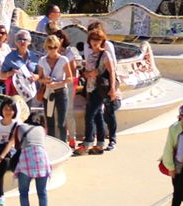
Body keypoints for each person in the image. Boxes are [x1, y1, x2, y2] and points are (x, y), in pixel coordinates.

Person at [0, 106, 50, 206]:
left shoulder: (20, 127)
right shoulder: (42, 129)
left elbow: (17, 145)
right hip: (42, 160)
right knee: (42, 192)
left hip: (26, 160)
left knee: (24, 192)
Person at [80, 23, 120, 153]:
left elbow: (112, 71)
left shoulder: (105, 54)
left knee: (90, 114)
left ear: (102, 41)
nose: (95, 42)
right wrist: (87, 74)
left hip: (101, 89)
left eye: (98, 40)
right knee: (97, 116)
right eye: (93, 39)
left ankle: (88, 143)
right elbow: (88, 72)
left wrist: (113, 89)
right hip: (91, 88)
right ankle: (100, 143)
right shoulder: (91, 55)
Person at [37, 34, 75, 142]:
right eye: (50, 47)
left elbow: (69, 78)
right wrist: (45, 81)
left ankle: (64, 144)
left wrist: (57, 83)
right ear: (46, 47)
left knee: (62, 122)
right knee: (50, 121)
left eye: (55, 47)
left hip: (61, 92)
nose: (52, 50)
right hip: (48, 93)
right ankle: (52, 145)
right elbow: (39, 78)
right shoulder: (42, 60)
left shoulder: (64, 59)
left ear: (58, 47)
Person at [162, 110, 183, 206]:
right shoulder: (174, 128)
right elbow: (168, 148)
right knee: (177, 194)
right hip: (178, 165)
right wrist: (170, 167)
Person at [1, 30, 42, 103]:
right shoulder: (10, 57)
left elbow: (39, 73)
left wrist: (36, 77)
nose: (22, 41)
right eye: (19, 39)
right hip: (16, 92)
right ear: (16, 42)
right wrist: (10, 73)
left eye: (25, 39)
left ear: (29, 42)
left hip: (30, 91)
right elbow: (2, 74)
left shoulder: (34, 56)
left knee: (27, 113)